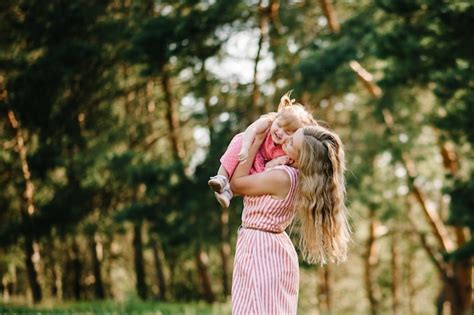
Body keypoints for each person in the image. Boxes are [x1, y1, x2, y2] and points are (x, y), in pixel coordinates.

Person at [229, 125, 351, 315]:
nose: (286, 139)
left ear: (300, 157)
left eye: (292, 142)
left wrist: (255, 141)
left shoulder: (281, 177)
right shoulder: (298, 176)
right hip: (274, 248)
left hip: (260, 249)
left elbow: (235, 184)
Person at [208, 91, 317, 208]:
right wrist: (246, 147)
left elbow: (267, 169)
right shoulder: (268, 123)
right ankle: (221, 177)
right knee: (240, 139)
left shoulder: (287, 151)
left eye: (287, 132)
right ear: (276, 118)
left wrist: (276, 162)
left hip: (258, 163)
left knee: (249, 178)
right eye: (279, 125)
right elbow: (252, 129)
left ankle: (228, 193)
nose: (280, 132)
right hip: (249, 146)